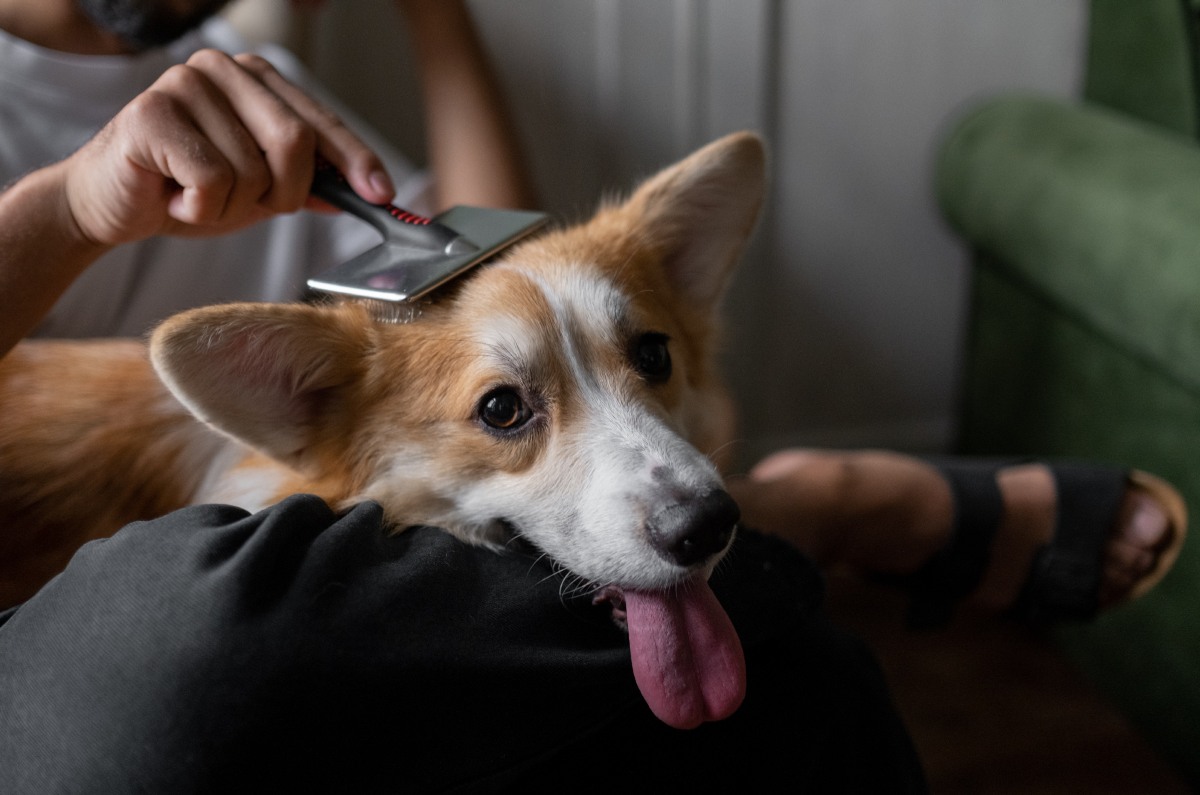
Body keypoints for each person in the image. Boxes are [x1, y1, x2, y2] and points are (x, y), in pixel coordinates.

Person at [0, 0, 1185, 790]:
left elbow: (506, 267)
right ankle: (801, 520)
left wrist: (439, 16)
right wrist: (66, 213)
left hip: (387, 491)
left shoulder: (262, 86)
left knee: (801, 679)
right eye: (511, 411)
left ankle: (783, 528)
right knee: (200, 649)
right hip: (196, 567)